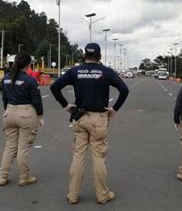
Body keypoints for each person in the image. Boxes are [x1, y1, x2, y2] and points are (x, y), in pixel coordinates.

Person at [50, 43, 129, 205]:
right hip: (99, 118)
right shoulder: (106, 72)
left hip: (80, 117)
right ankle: (102, 195)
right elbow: (124, 90)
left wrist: (66, 105)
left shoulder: (75, 71)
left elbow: (55, 86)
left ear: (84, 55)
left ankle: (73, 195)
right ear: (99, 56)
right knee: (98, 157)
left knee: (78, 156)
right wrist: (114, 109)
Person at [0, 53, 44, 187]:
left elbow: (4, 98)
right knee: (23, 148)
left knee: (10, 147)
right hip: (25, 113)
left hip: (9, 112)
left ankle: (3, 176)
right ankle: (24, 177)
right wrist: (40, 116)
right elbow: (36, 100)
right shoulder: (30, 80)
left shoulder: (6, 78)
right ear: (28, 65)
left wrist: (7, 110)